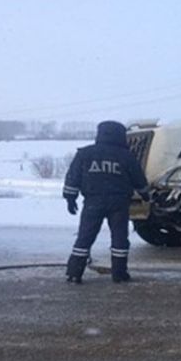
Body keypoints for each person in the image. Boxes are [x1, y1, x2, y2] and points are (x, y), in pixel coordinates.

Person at [63, 121, 149, 283]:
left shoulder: (85, 154)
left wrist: (70, 197)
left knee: (85, 237)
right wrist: (145, 194)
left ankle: (74, 273)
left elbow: (73, 177)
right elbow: (138, 178)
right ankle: (119, 273)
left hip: (93, 202)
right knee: (119, 239)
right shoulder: (126, 156)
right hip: (119, 203)